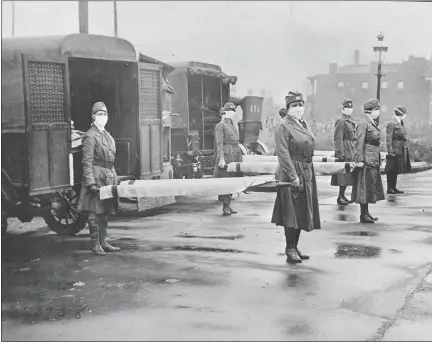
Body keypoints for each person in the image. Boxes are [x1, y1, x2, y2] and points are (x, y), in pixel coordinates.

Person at [271, 92, 321, 264]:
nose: (298, 108)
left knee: (301, 211)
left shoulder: (302, 124)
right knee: (291, 212)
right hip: (291, 171)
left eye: (300, 105)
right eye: (294, 106)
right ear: (288, 109)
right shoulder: (283, 127)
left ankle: (295, 245)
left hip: (305, 170)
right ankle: (289, 248)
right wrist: (293, 176)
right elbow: (283, 154)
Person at [78, 102, 120, 255]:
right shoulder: (90, 136)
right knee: (94, 212)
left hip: (108, 176)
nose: (103, 117)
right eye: (100, 114)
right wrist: (90, 182)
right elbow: (86, 162)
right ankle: (95, 244)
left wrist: (115, 178)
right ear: (93, 116)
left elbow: (110, 160)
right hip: (96, 176)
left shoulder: (107, 135)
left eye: (105, 114)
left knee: (105, 211)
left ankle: (103, 241)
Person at [351, 99, 385, 224]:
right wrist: (359, 160)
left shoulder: (371, 122)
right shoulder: (363, 123)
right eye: (376, 109)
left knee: (369, 186)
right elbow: (359, 143)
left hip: (372, 158)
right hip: (365, 159)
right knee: (363, 187)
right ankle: (363, 214)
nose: (378, 112)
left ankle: (366, 213)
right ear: (370, 111)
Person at [214, 102, 243, 215]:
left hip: (235, 154)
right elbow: (219, 143)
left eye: (233, 111)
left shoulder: (233, 125)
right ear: (225, 113)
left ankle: (229, 204)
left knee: (233, 180)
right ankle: (225, 206)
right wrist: (221, 157)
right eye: (230, 111)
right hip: (226, 154)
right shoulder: (220, 126)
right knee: (225, 180)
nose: (232, 113)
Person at [331, 98, 356, 205]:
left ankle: (342, 195)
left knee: (347, 175)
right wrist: (340, 153)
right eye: (347, 108)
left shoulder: (349, 120)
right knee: (342, 175)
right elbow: (338, 138)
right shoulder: (341, 121)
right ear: (342, 109)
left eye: (351, 108)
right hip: (344, 149)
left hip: (350, 149)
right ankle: (340, 196)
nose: (349, 110)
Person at [385, 105, 411, 194]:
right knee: (391, 168)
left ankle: (394, 187)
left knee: (396, 168)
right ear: (400, 114)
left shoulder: (401, 122)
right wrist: (390, 150)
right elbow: (388, 138)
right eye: (404, 113)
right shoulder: (392, 123)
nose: (405, 115)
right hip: (394, 147)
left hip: (400, 148)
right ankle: (390, 188)